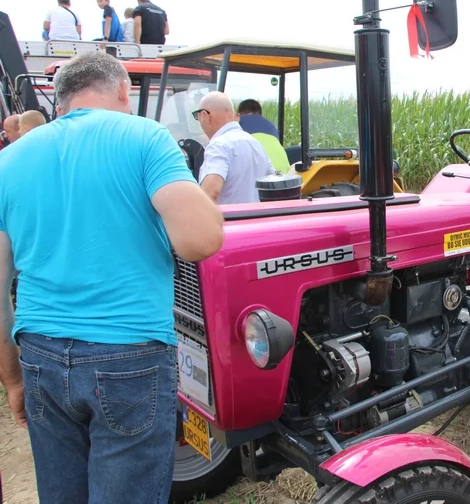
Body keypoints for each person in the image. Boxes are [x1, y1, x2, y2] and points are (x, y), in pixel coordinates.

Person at [0, 52, 224, 502]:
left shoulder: (10, 159)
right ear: (123, 91)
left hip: (40, 352)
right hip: (128, 355)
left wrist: (12, 378)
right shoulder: (144, 136)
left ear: (59, 102)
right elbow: (199, 240)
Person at [195, 91, 276, 204]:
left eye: (197, 116)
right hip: (257, 219)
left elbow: (210, 193)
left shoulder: (218, 146)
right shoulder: (255, 143)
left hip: (229, 220)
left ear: (204, 115)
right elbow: (274, 184)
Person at [236, 99, 290, 173]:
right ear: (261, 114)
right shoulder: (272, 127)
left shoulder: (236, 124)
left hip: (259, 177)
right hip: (284, 175)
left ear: (239, 114)